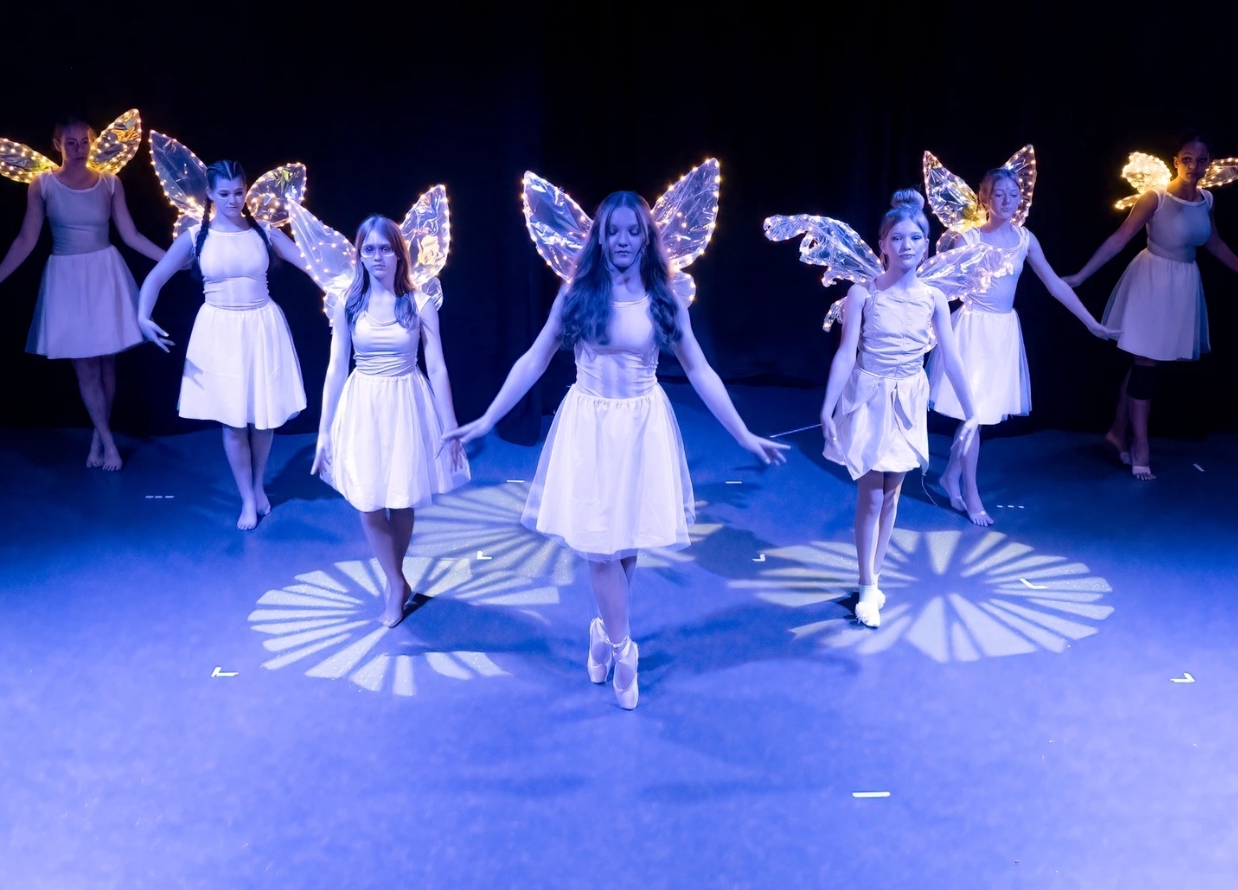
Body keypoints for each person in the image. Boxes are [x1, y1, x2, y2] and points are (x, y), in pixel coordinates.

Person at [445, 191, 788, 710]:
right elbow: (534, 358)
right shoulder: (577, 293)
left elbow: (700, 370)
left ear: (646, 238)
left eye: (633, 231)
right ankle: (625, 649)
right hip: (590, 427)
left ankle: (603, 631)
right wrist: (488, 417)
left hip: (642, 427)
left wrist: (743, 434)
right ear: (600, 238)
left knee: (625, 542)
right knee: (600, 547)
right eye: (614, 231)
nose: (623, 240)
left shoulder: (663, 297)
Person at [0, 115, 166, 470]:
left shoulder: (110, 182)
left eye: (84, 142)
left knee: (107, 363)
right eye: (71, 143)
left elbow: (130, 235)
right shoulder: (42, 185)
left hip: (105, 275)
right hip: (67, 279)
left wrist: (172, 261)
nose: (79, 149)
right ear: (57, 145)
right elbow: (26, 239)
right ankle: (109, 444)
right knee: (86, 367)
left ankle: (100, 437)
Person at [1065, 136, 1238, 479]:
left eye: (1201, 160)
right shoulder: (1155, 197)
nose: (1194, 166)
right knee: (1146, 363)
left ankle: (1117, 431)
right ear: (1175, 161)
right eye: (1187, 159)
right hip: (1151, 281)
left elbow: (1214, 242)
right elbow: (1120, 238)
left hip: (1183, 284)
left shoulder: (1207, 200)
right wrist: (1081, 275)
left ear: (1209, 163)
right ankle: (1141, 447)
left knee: (1147, 361)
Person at [820, 190, 978, 627]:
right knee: (871, 495)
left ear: (926, 245)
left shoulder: (934, 298)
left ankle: (875, 579)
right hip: (869, 398)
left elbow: (951, 356)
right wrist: (827, 408)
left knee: (892, 496)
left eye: (915, 238)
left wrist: (971, 412)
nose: (906, 245)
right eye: (897, 237)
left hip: (908, 399)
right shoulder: (863, 294)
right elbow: (846, 353)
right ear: (883, 244)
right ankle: (866, 585)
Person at [931, 168, 1117, 523]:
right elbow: (943, 289)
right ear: (984, 198)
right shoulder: (967, 240)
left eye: (1013, 194)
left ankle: (950, 476)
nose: (1006, 200)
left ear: (1021, 198)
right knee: (974, 416)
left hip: (1002, 333)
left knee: (979, 416)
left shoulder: (1024, 239)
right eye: (998, 194)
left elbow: (1055, 285)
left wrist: (1091, 322)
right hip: (972, 330)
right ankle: (971, 493)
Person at [311, 215, 469, 627]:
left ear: (399, 254)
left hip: (406, 403)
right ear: (360, 255)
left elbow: (438, 367)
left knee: (401, 497)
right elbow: (335, 367)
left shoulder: (419, 304)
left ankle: (394, 584)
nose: (378, 256)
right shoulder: (347, 303)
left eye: (385, 248)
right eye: (370, 249)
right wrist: (324, 431)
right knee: (368, 503)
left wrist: (451, 427)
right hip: (363, 404)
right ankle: (397, 581)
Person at [137, 160, 309, 529]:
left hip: (261, 326)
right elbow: (157, 276)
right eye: (225, 193)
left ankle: (258, 485)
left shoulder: (264, 232)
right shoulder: (196, 237)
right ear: (211, 194)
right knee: (232, 422)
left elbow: (312, 265)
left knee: (262, 417)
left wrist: (347, 293)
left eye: (238, 192)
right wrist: (142, 316)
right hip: (220, 331)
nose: (233, 200)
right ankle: (246, 497)